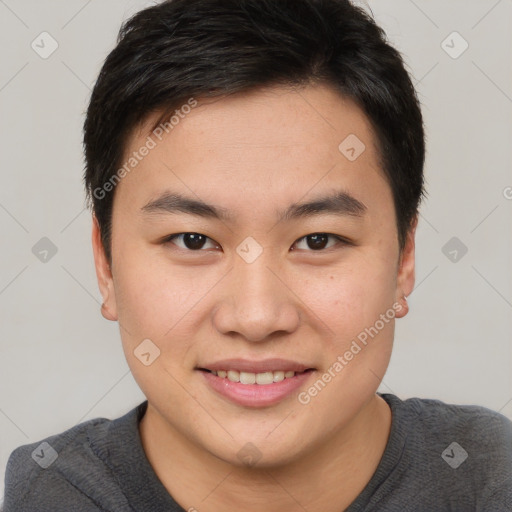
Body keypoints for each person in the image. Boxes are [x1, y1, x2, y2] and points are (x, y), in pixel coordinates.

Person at [3, 0, 511, 510]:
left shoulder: (488, 480)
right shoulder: (49, 494)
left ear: (404, 259)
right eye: (193, 240)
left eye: (317, 240)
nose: (256, 317)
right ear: (105, 264)